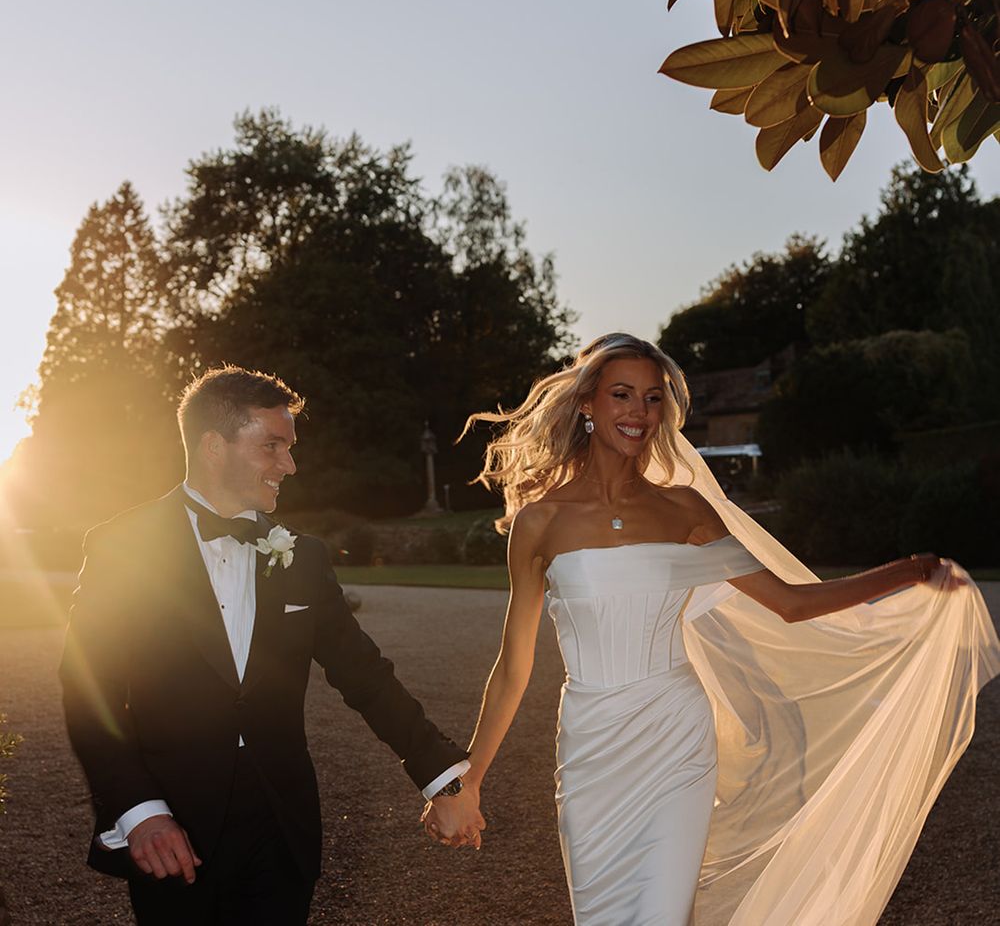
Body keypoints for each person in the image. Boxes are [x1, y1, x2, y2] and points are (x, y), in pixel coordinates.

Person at [433, 333, 1000, 925]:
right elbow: (514, 666)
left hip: (676, 735)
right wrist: (469, 781)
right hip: (590, 744)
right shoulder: (539, 522)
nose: (639, 413)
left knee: (661, 914)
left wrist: (907, 571)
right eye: (622, 394)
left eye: (653, 399)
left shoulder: (685, 509)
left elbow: (790, 603)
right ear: (586, 404)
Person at [60, 366, 484, 926]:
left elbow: (366, 675)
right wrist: (140, 813)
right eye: (272, 447)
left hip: (282, 830)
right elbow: (89, 692)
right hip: (172, 833)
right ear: (214, 446)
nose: (290, 465)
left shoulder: (300, 557)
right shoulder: (121, 547)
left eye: (288, 448)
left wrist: (444, 780)